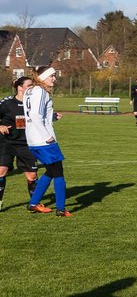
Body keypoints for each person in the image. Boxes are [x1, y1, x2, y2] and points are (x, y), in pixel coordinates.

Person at [23, 67, 71, 216]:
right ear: (43, 77)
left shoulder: (30, 91)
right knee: (58, 173)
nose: (54, 78)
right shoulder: (40, 91)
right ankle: (61, 209)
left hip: (32, 139)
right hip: (43, 140)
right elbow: (36, 115)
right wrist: (47, 136)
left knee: (50, 171)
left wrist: (52, 117)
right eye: (52, 76)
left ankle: (33, 203)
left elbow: (35, 114)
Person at [0, 77, 39, 210]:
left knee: (32, 176)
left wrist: (53, 116)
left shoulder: (34, 103)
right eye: (29, 85)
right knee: (1, 171)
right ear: (20, 87)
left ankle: (35, 203)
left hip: (27, 144)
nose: (32, 87)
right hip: (7, 143)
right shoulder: (6, 103)